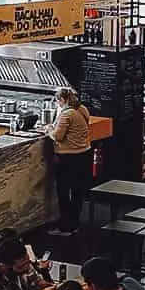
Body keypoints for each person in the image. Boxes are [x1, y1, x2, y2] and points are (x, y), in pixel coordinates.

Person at [47, 87, 92, 237]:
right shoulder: (82, 109)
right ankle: (75, 223)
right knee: (78, 192)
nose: (57, 104)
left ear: (62, 100)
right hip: (84, 154)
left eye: (58, 101)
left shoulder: (67, 114)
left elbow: (58, 136)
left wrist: (49, 129)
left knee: (64, 192)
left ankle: (65, 227)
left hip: (68, 157)